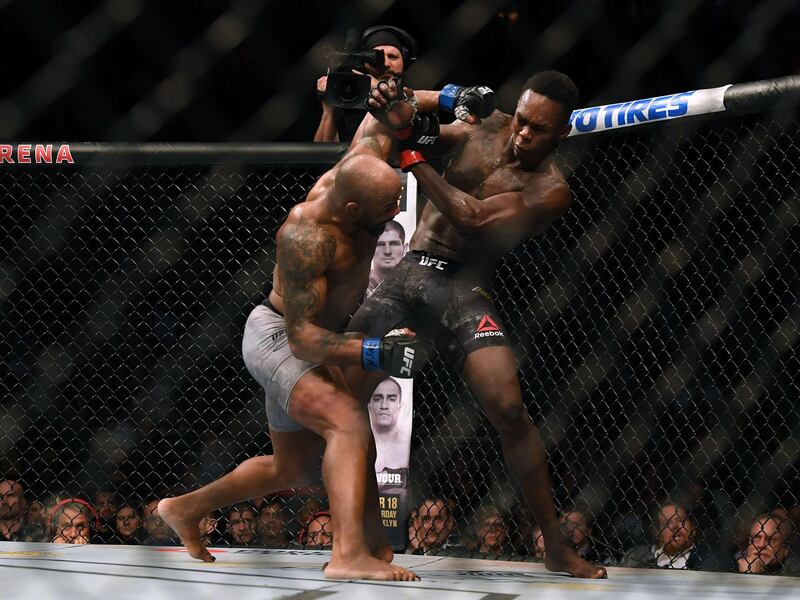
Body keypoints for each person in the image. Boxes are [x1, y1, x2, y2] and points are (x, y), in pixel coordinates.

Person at [343, 71, 606, 578]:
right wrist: (397, 112)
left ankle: (554, 546)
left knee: (509, 409)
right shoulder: (489, 126)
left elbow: (473, 217)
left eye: (537, 130)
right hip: (409, 271)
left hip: (463, 285)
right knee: (339, 393)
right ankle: (369, 535)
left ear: (559, 134)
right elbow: (420, 131)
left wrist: (413, 159)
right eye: (522, 121)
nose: (522, 135)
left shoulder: (550, 190)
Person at [157, 147, 427, 581]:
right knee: (348, 421)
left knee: (293, 467)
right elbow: (302, 339)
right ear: (353, 207)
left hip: (321, 338)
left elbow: (379, 124)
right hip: (281, 336)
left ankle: (184, 509)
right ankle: (347, 555)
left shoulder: (358, 187)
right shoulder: (308, 235)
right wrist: (375, 351)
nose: (394, 212)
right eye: (386, 207)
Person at [315, 26, 417, 143]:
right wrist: (328, 109)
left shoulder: (414, 95)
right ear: (364, 64)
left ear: (405, 62)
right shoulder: (347, 98)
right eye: (376, 59)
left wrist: (377, 86)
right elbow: (321, 154)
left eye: (392, 57)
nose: (386, 64)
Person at [619, 504, 706, 570]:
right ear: (657, 533)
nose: (675, 526)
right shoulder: (635, 556)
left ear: (693, 528)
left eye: (680, 520)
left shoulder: (706, 558)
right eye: (667, 523)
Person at [735, 513, 800, 575]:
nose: (761, 545)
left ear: (786, 548)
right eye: (756, 538)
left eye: (770, 540)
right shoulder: (729, 565)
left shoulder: (794, 575)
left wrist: (751, 576)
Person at [368, 377, 407, 471]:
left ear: (400, 406)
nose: (384, 406)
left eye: (392, 399)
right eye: (377, 399)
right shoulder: (359, 447)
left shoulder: (409, 446)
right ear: (369, 406)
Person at [367, 221, 407, 296]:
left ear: (405, 249)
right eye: (380, 244)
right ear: (369, 249)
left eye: (394, 244)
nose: (387, 251)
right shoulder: (357, 287)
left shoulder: (416, 285)